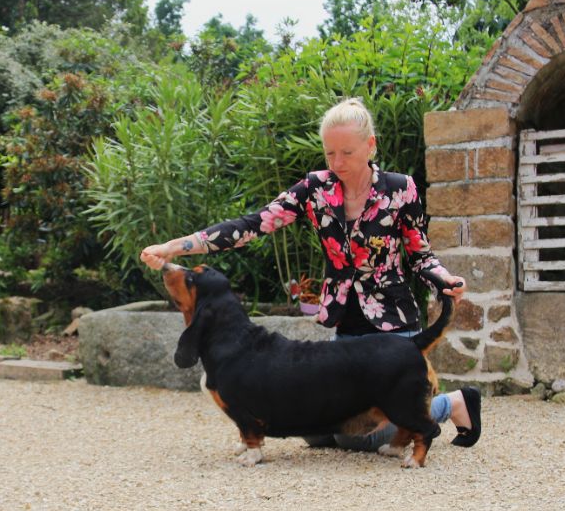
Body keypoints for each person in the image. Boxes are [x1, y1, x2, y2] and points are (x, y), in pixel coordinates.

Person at [140, 97, 481, 449]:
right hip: (345, 326)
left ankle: (452, 404)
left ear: (370, 145)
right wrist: (174, 247)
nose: (337, 162)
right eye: (330, 153)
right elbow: (253, 224)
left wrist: (445, 280)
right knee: (310, 425)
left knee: (360, 438)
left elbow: (421, 256)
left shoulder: (400, 188)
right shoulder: (315, 188)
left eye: (347, 152)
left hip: (393, 326)